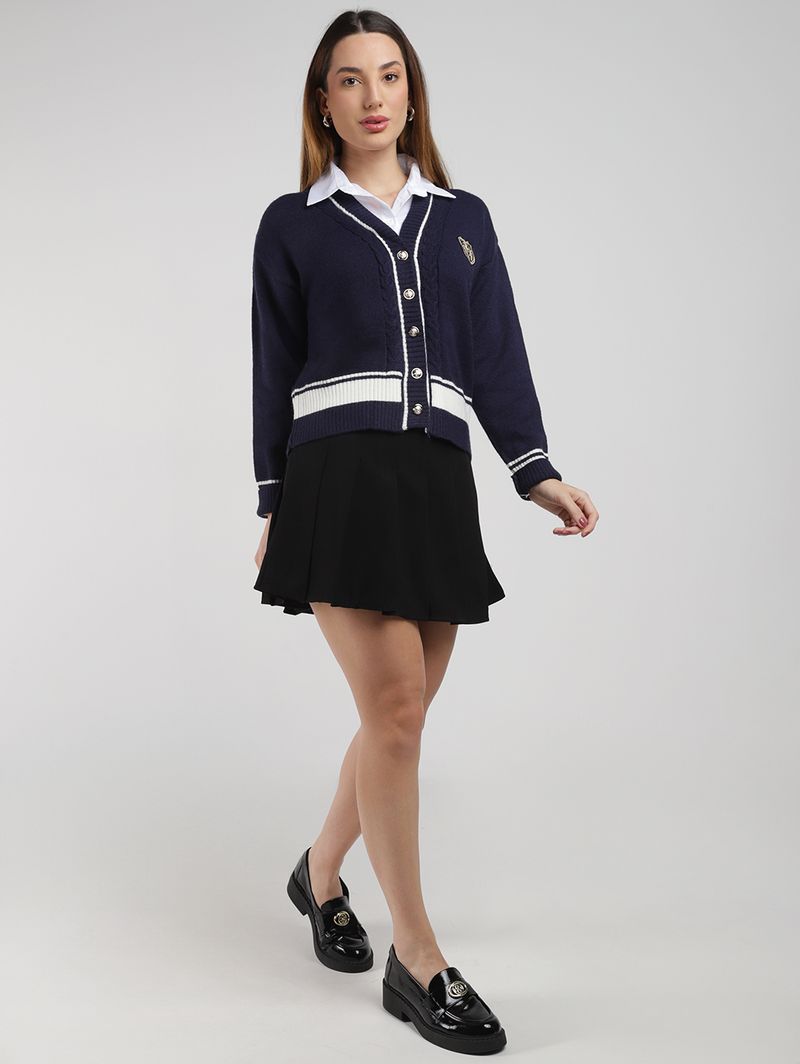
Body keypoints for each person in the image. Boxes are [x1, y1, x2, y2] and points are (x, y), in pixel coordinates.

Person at [250, 9, 598, 1054]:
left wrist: (534, 470)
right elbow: (272, 366)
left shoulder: (462, 219)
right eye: (349, 79)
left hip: (437, 484)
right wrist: (273, 502)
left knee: (394, 719)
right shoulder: (293, 222)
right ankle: (418, 954)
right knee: (397, 711)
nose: (372, 96)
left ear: (411, 93)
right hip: (337, 479)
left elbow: (495, 353)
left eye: (388, 75)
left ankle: (319, 874)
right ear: (324, 102)